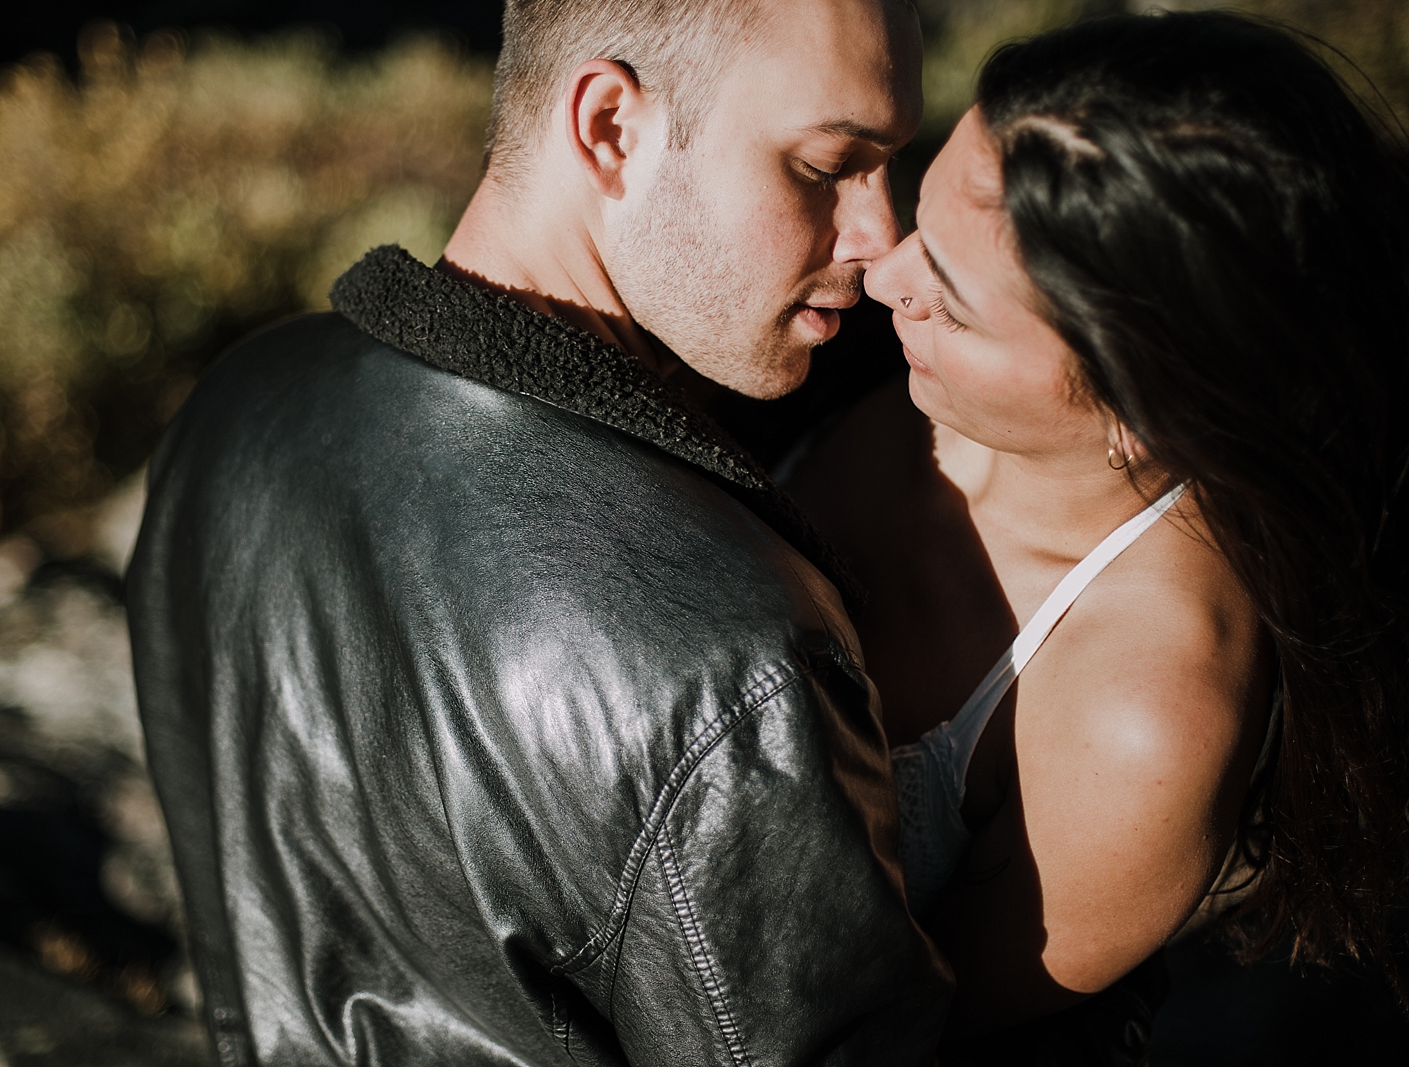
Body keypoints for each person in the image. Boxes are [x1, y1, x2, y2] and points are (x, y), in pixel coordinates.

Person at [127, 1, 951, 1064]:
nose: (882, 240)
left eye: (895, 162)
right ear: (610, 126)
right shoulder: (724, 656)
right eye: (827, 165)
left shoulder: (229, 411)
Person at [788, 9, 1409, 1056]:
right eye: (921, 218)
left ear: (1145, 407)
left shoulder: (1141, 727)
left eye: (954, 297)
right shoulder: (891, 356)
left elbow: (900, 1034)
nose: (881, 272)